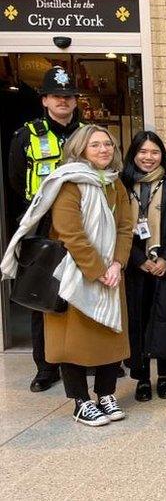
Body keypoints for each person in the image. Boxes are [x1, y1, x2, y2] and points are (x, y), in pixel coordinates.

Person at [2, 125, 133, 426]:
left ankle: (106, 394)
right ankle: (81, 401)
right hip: (74, 272)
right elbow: (70, 232)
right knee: (74, 341)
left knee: (110, 335)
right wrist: (98, 270)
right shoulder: (68, 182)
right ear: (80, 149)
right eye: (95, 145)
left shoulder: (115, 184)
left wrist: (117, 264)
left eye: (108, 145)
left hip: (111, 272)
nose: (103, 150)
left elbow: (126, 227)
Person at [6, 66, 83, 392]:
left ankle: (82, 359)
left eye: (68, 96)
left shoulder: (88, 135)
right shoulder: (27, 136)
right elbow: (15, 180)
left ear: (75, 101)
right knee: (42, 298)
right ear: (45, 100)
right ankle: (46, 367)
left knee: (80, 295)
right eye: (57, 96)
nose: (63, 101)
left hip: (80, 227)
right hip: (43, 228)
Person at [121, 131, 166, 402]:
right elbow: (116, 228)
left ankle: (165, 376)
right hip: (135, 267)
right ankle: (141, 378)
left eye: (154, 152)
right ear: (134, 155)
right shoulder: (122, 185)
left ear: (162, 155)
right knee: (137, 320)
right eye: (143, 152)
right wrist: (139, 260)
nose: (148, 158)